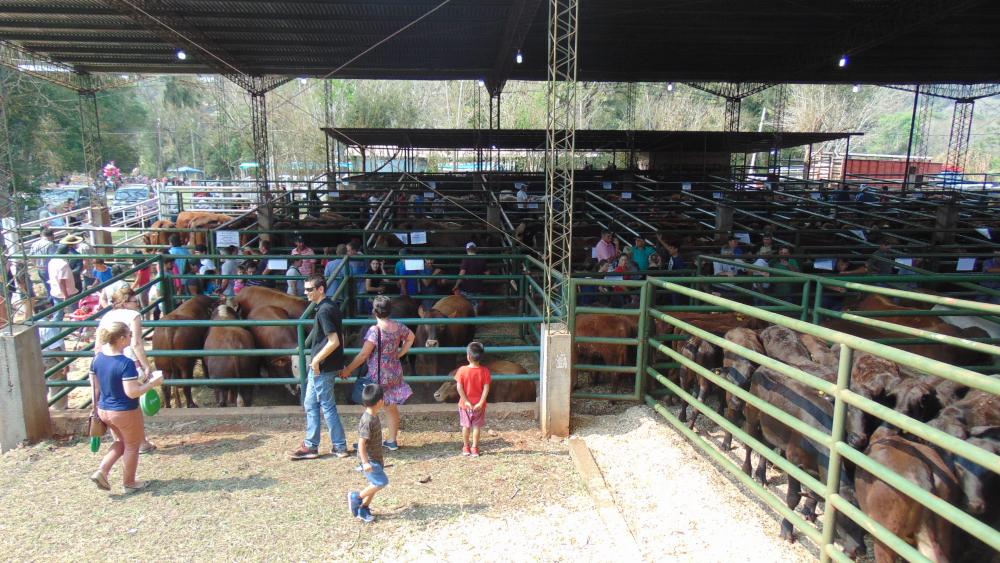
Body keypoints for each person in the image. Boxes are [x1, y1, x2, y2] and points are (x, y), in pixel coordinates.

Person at [89, 321, 164, 492]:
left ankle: (102, 471)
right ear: (122, 339)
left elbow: (96, 388)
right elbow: (132, 393)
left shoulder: (97, 359)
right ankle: (129, 483)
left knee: (121, 442)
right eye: (130, 335)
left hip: (104, 410)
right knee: (132, 445)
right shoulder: (126, 363)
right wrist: (153, 383)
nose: (132, 337)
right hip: (124, 411)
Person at [340, 295, 415, 450]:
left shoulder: (374, 331)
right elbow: (411, 337)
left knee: (368, 407)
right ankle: (392, 440)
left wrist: (348, 369)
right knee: (391, 406)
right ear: (390, 310)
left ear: (374, 311)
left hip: (377, 374)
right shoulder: (397, 326)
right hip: (394, 372)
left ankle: (368, 440)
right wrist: (400, 353)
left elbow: (363, 355)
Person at [287, 275, 349, 460]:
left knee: (326, 406)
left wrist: (315, 361)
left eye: (309, 289)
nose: (306, 292)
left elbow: (334, 341)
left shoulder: (323, 311)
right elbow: (340, 338)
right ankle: (312, 445)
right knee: (311, 404)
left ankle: (338, 445)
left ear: (320, 289)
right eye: (306, 289)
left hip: (321, 367)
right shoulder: (331, 306)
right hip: (326, 365)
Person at [98, 287, 156, 453]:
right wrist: (146, 366)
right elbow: (136, 344)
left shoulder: (106, 316)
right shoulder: (134, 316)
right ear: (125, 302)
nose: (137, 304)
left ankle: (119, 440)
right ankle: (141, 442)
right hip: (128, 361)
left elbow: (98, 344)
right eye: (134, 301)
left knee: (112, 398)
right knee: (133, 402)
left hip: (106, 362)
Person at [347, 383, 388, 523]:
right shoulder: (368, 421)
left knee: (374, 485)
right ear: (380, 401)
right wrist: (365, 462)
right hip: (370, 460)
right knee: (381, 482)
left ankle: (363, 508)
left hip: (376, 458)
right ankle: (356, 497)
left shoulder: (373, 416)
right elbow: (361, 443)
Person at [454, 342, 492, 457]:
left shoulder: (462, 370)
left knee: (465, 426)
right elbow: (486, 388)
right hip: (479, 405)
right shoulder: (485, 371)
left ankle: (466, 447)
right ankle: (475, 448)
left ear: (468, 357)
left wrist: (465, 400)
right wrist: (481, 401)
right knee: (476, 427)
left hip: (465, 405)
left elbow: (459, 387)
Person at [35, 303, 69, 409]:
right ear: (40, 311)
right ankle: (59, 409)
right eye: (49, 308)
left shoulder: (33, 324)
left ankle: (41, 409)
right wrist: (63, 363)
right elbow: (54, 347)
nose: (52, 310)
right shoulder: (48, 327)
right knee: (57, 386)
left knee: (41, 387)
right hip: (52, 360)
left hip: (39, 359)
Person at [453, 242, 490, 316]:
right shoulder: (481, 259)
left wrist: (456, 285)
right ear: (475, 249)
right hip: (478, 286)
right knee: (475, 303)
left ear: (467, 250)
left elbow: (462, 273)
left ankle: (469, 321)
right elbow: (487, 273)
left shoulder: (466, 260)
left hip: (468, 286)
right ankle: (475, 321)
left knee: (466, 303)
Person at [47, 245, 78, 322]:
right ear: (68, 252)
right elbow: (62, 280)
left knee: (58, 313)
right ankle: (76, 330)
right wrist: (65, 295)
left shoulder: (52, 261)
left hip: (55, 290)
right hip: (67, 291)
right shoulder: (63, 264)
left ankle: (56, 330)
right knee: (74, 312)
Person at [29, 228, 57, 297]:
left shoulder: (34, 244)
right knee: (54, 289)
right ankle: (54, 305)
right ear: (51, 236)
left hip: (40, 269)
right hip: (49, 270)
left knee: (48, 289)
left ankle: (50, 304)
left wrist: (36, 265)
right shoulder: (50, 244)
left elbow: (31, 256)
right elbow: (54, 258)